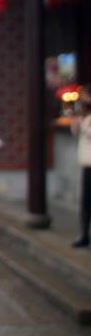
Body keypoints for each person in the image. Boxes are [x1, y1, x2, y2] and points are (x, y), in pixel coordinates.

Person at [70, 87, 91, 248]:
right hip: (86, 163)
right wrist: (76, 122)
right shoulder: (84, 116)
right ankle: (84, 233)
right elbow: (76, 133)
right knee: (85, 201)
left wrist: (83, 122)